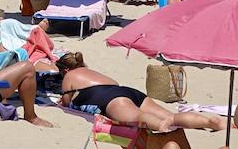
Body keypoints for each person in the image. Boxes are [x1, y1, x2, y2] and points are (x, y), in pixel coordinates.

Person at [57, 52, 224, 136]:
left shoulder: (69, 76)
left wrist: (61, 102)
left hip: (112, 100)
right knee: (171, 116)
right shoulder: (92, 72)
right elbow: (114, 84)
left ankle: (162, 128)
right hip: (129, 92)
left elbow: (65, 102)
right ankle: (210, 121)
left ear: (65, 70)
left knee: (157, 122)